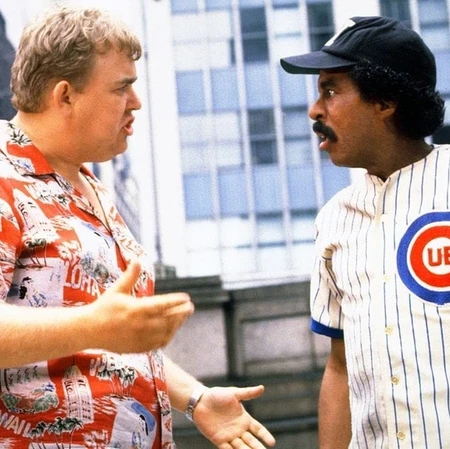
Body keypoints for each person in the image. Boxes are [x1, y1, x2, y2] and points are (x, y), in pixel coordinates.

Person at [0, 6, 276, 449]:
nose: (136, 102)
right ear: (65, 95)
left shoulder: (90, 186)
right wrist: (91, 325)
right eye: (121, 87)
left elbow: (106, 339)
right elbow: (94, 328)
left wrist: (195, 398)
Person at [280, 15, 448, 449]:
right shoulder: (334, 219)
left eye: (330, 91)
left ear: (385, 101)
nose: (315, 110)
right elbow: (339, 367)